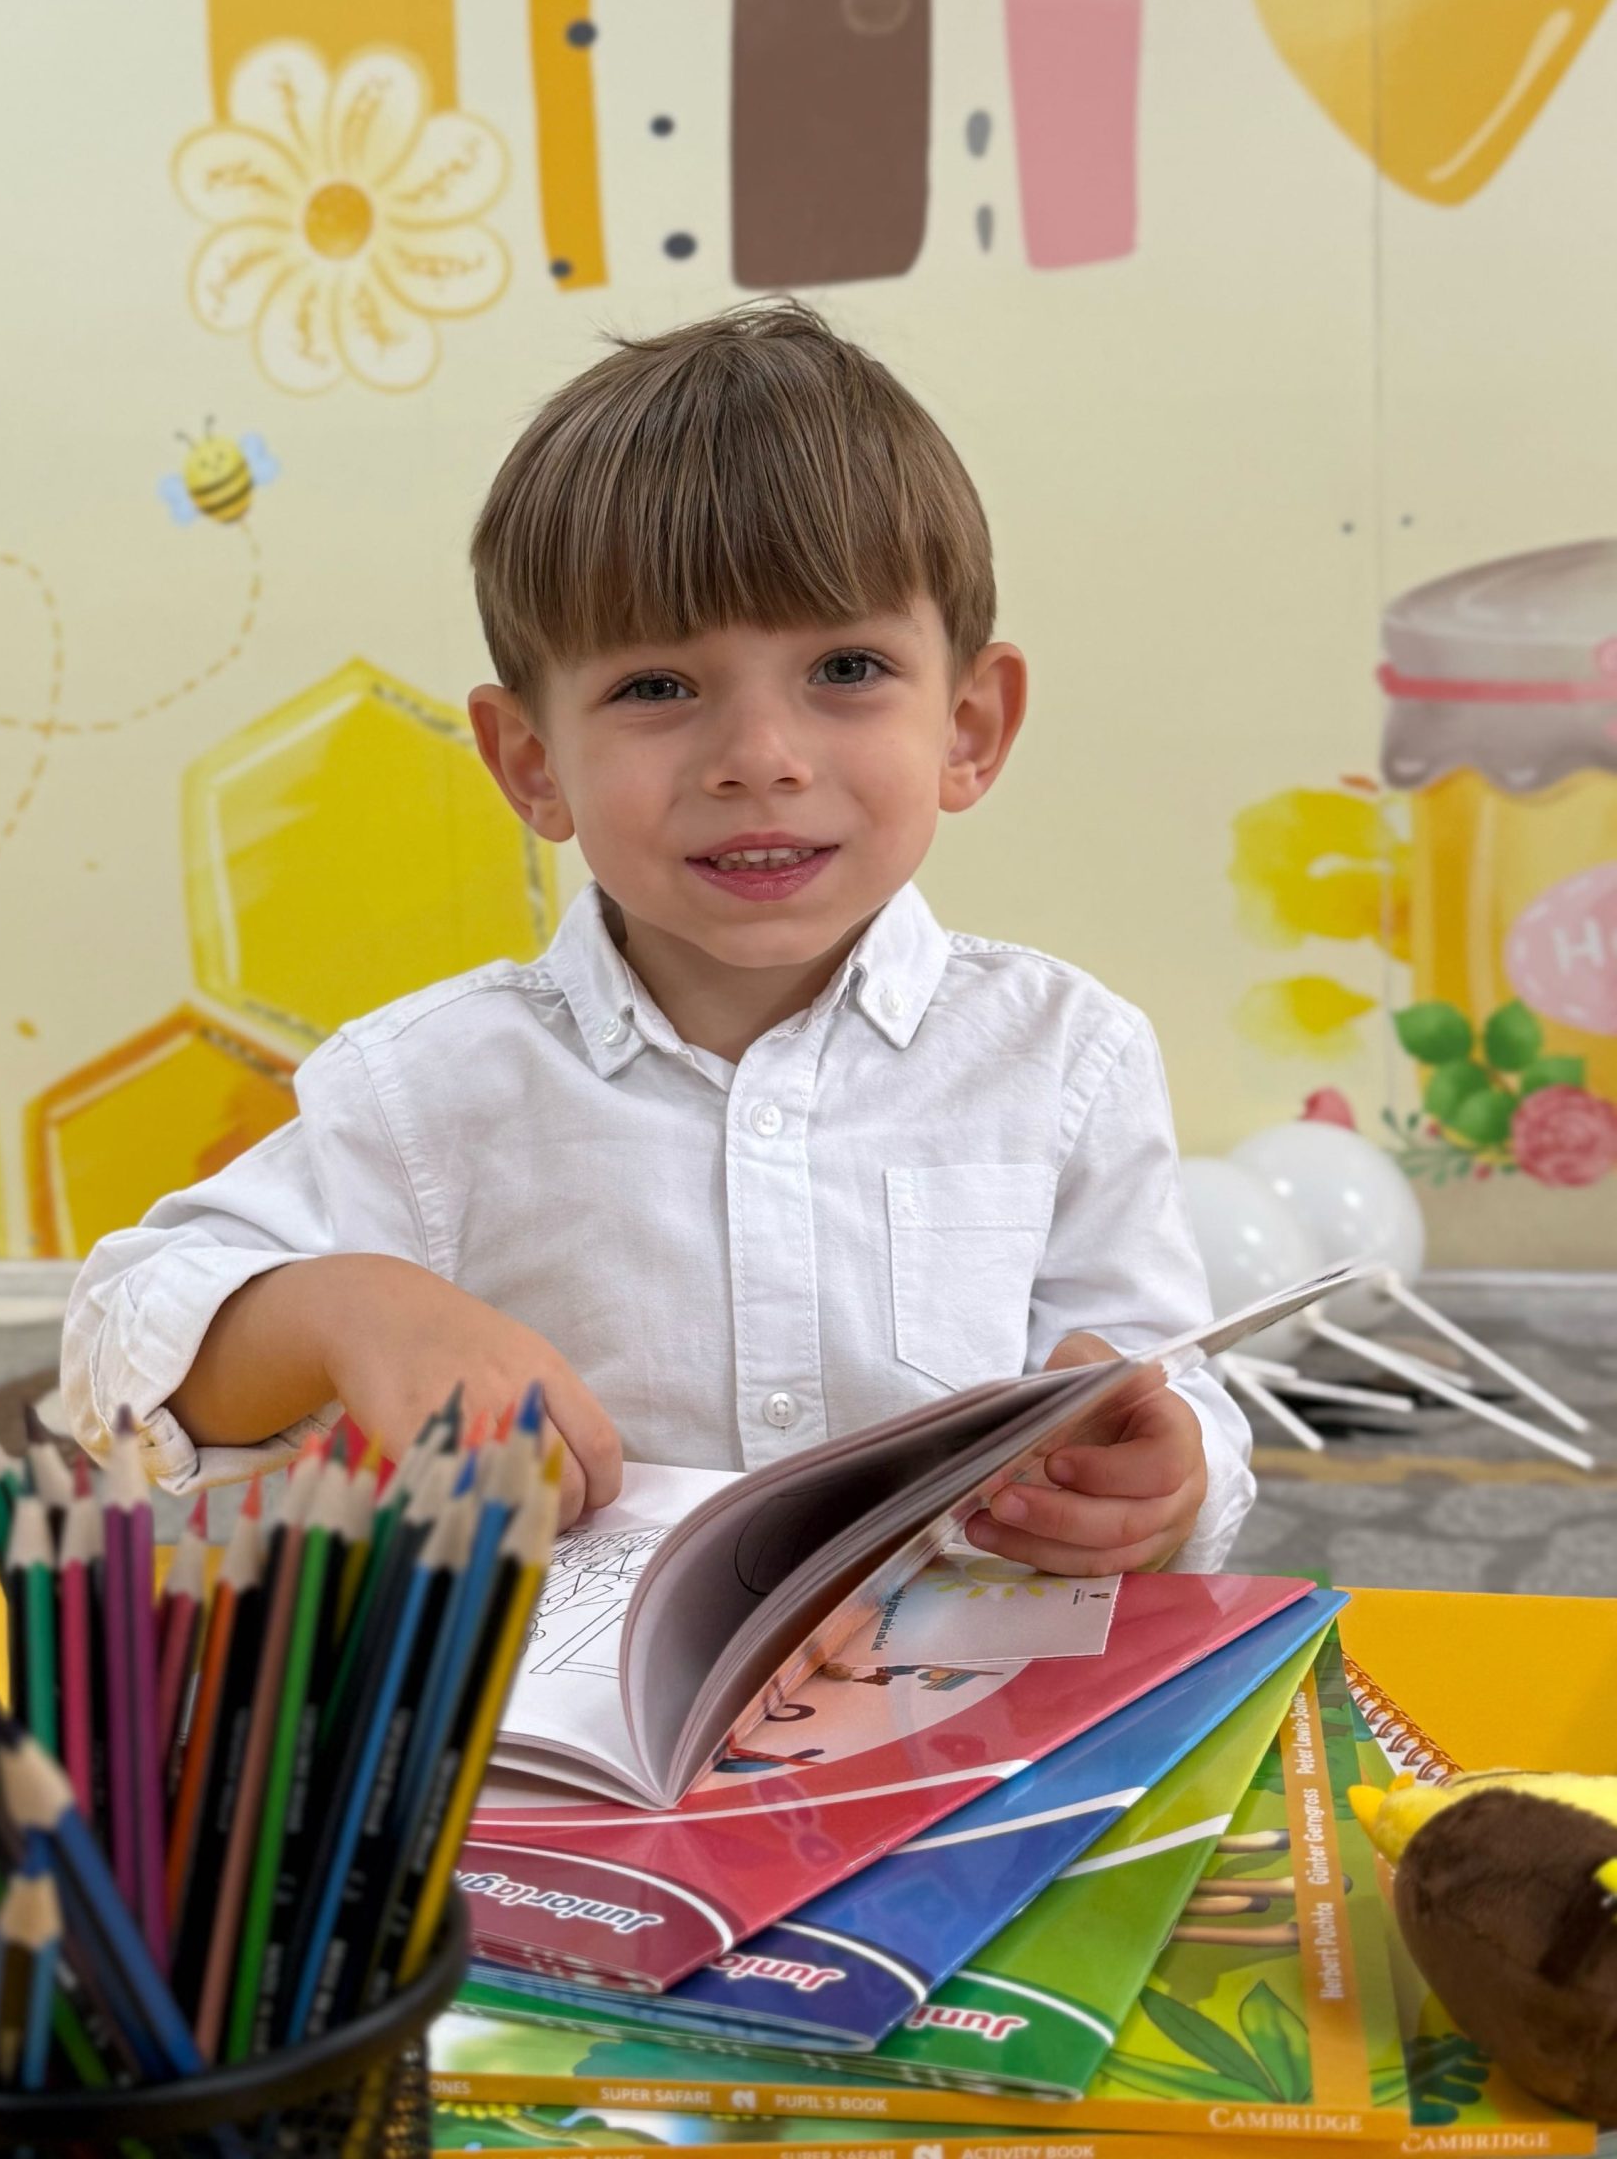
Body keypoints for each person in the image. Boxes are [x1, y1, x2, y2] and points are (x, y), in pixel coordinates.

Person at [62, 301, 1253, 1573]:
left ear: (968, 726)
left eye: (847, 669)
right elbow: (115, 1357)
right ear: (533, 761)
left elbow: (1173, 1397)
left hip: (977, 1686)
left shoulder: (1066, 1058)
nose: (760, 758)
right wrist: (346, 1311)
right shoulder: (429, 1089)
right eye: (657, 687)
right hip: (576, 1695)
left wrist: (1165, 1475)